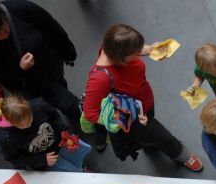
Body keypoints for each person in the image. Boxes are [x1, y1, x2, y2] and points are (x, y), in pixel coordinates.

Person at [82, 24, 203, 171]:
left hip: (145, 100)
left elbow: (135, 49)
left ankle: (148, 143)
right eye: (136, 52)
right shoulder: (100, 79)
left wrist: (150, 49)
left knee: (150, 136)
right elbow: (90, 113)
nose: (140, 53)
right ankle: (181, 155)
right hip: (135, 119)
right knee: (161, 136)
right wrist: (128, 117)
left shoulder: (112, 45)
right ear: (122, 57)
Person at [0, 0, 80, 119]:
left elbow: (50, 25)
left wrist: (68, 50)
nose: (4, 33)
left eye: (4, 24)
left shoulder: (18, 8)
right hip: (32, 85)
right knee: (69, 104)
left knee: (61, 86)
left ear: (3, 15)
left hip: (52, 65)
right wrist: (20, 68)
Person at [0, 94, 91, 171]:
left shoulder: (39, 105)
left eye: (30, 118)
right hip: (47, 160)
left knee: (76, 158)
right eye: (23, 125)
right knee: (69, 173)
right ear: (11, 122)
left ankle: (82, 168)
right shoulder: (7, 138)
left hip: (61, 142)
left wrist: (64, 131)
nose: (29, 125)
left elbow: (55, 116)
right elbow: (15, 159)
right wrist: (41, 160)